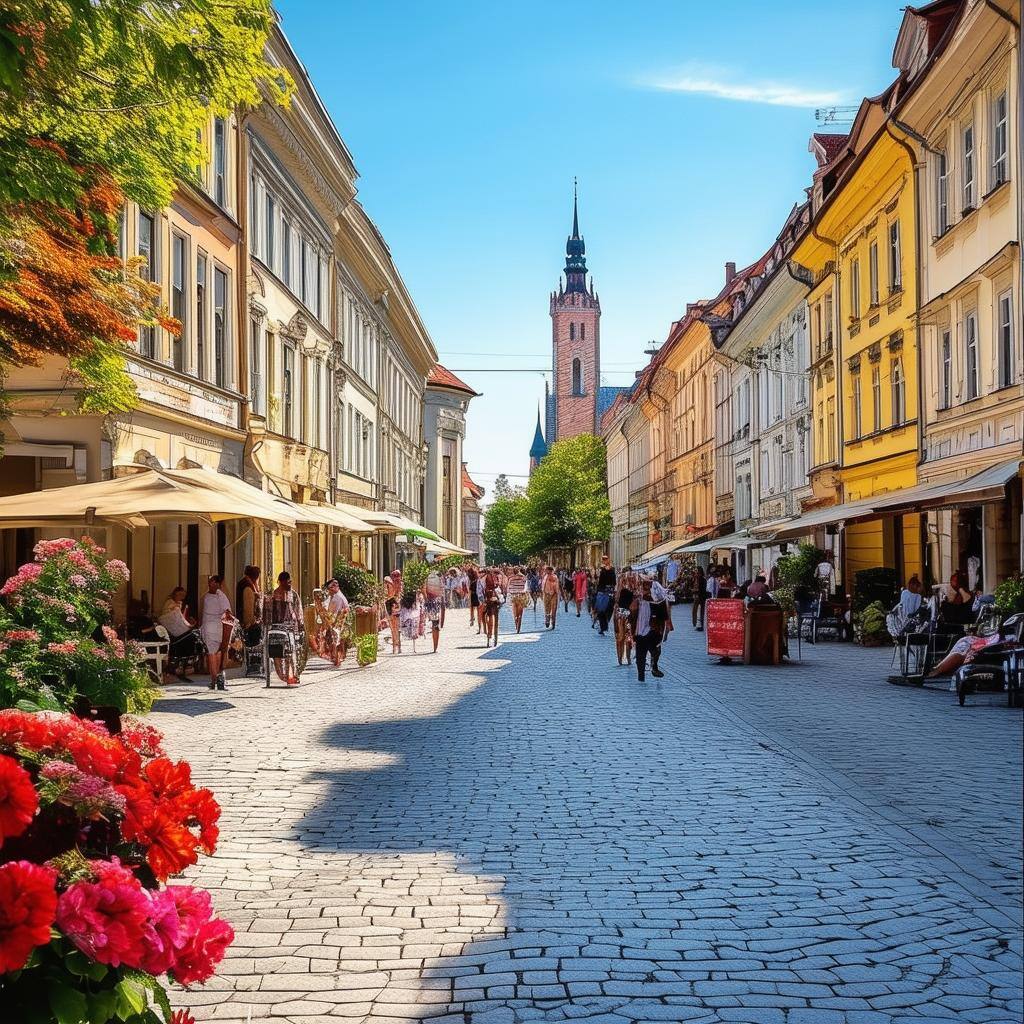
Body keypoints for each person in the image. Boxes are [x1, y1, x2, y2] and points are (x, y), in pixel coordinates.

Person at [630, 575, 669, 682]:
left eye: (648, 585)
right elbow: (632, 612)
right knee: (640, 655)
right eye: (644, 585)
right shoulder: (638, 599)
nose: (645, 588)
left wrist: (665, 629)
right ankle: (641, 677)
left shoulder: (658, 600)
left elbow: (664, 616)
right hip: (639, 631)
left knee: (654, 649)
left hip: (652, 630)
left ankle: (654, 667)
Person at [199, 575, 234, 691]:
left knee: (214, 652)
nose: (210, 584)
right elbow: (228, 612)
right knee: (214, 652)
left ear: (217, 584)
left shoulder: (219, 595)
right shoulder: (211, 596)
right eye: (210, 582)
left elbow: (227, 612)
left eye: (213, 582)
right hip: (213, 626)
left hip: (215, 626)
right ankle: (215, 678)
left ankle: (215, 678)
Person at [158, 587, 200, 681]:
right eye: (180, 595)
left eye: (183, 595)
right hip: (172, 631)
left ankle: (186, 664)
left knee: (192, 636)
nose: (181, 597)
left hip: (179, 630)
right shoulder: (170, 603)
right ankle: (180, 665)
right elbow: (170, 617)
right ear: (175, 594)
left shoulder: (179, 604)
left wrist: (189, 624)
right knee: (189, 638)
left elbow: (180, 618)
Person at [268, 571, 302, 685]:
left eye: (290, 582)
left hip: (291, 627)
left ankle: (291, 675)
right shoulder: (274, 594)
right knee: (277, 650)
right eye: (287, 582)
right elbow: (271, 612)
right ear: (281, 582)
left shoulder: (293, 594)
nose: (289, 584)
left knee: (291, 650)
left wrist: (300, 623)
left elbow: (298, 610)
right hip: (277, 627)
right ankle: (281, 675)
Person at [323, 577, 349, 665]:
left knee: (334, 638)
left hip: (338, 622)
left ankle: (337, 658)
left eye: (329, 589)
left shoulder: (337, 598)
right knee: (338, 639)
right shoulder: (337, 595)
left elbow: (334, 612)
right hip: (341, 622)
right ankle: (338, 657)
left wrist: (330, 623)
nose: (329, 592)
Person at [236, 566, 262, 648]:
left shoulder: (243, 583)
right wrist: (250, 623)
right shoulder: (248, 587)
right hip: (247, 626)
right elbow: (248, 610)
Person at [614, 570, 636, 667]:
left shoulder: (621, 585)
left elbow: (617, 598)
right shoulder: (633, 586)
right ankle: (628, 658)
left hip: (620, 613)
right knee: (628, 637)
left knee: (620, 637)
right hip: (628, 614)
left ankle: (620, 659)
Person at [423, 566, 445, 653]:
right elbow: (442, 591)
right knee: (436, 625)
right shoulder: (439, 578)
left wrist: (426, 600)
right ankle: (435, 647)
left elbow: (423, 589)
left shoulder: (426, 578)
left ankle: (435, 646)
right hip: (436, 603)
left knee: (434, 625)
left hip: (430, 603)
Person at [594, 554, 617, 635]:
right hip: (603, 591)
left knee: (608, 610)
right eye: (603, 559)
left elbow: (614, 582)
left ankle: (604, 626)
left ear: (608, 560)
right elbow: (600, 581)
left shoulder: (611, 570)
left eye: (606, 559)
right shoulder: (602, 570)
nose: (604, 560)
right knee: (601, 610)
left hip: (608, 592)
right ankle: (602, 627)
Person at [482, 568, 502, 647]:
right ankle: (493, 635)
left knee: (486, 617)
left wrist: (482, 601)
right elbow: (500, 587)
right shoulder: (496, 578)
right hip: (496, 600)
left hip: (487, 600)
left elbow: (480, 591)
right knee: (494, 617)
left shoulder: (483, 579)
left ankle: (489, 635)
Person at [384, 570, 403, 653]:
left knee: (393, 627)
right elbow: (399, 594)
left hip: (391, 604)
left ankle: (395, 647)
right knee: (397, 627)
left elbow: (388, 595)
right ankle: (398, 647)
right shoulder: (400, 584)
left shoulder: (389, 582)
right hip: (397, 604)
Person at [507, 565, 529, 633]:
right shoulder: (523, 577)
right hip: (521, 595)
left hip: (514, 595)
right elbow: (526, 586)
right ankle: (518, 622)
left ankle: (516, 621)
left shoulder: (511, 578)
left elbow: (508, 587)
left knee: (515, 612)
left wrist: (509, 592)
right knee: (520, 612)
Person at [541, 564, 560, 630]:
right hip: (546, 594)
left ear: (550, 570)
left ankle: (552, 623)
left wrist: (555, 593)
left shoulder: (553, 577)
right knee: (547, 609)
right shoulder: (545, 576)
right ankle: (547, 621)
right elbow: (543, 585)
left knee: (553, 609)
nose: (545, 570)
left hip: (553, 595)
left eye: (546, 570)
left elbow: (555, 586)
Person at [691, 566, 707, 631]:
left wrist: (695, 591)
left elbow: (702, 589)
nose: (696, 572)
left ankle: (701, 625)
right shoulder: (695, 579)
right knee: (695, 611)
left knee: (701, 611)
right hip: (697, 596)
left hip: (701, 597)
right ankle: (696, 624)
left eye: (697, 571)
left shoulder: (702, 579)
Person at [467, 565, 480, 630]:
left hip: (473, 594)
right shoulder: (477, 580)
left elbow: (469, 591)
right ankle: (478, 619)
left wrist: (469, 599)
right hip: (477, 594)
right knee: (478, 608)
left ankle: (472, 619)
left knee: (472, 607)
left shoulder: (471, 581)